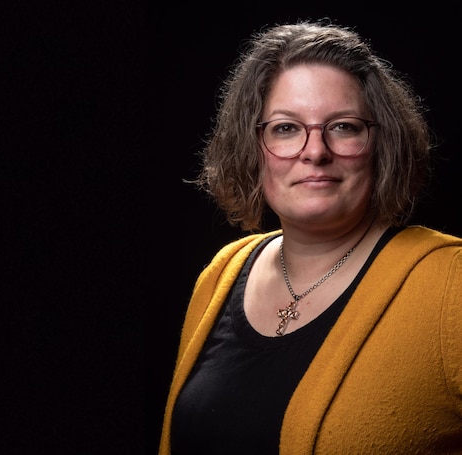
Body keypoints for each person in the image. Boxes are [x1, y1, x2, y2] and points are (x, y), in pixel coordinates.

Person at [158, 19, 462, 454]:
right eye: (285, 128)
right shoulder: (222, 273)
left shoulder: (451, 282)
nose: (316, 151)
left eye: (343, 126)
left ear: (382, 144)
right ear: (252, 147)